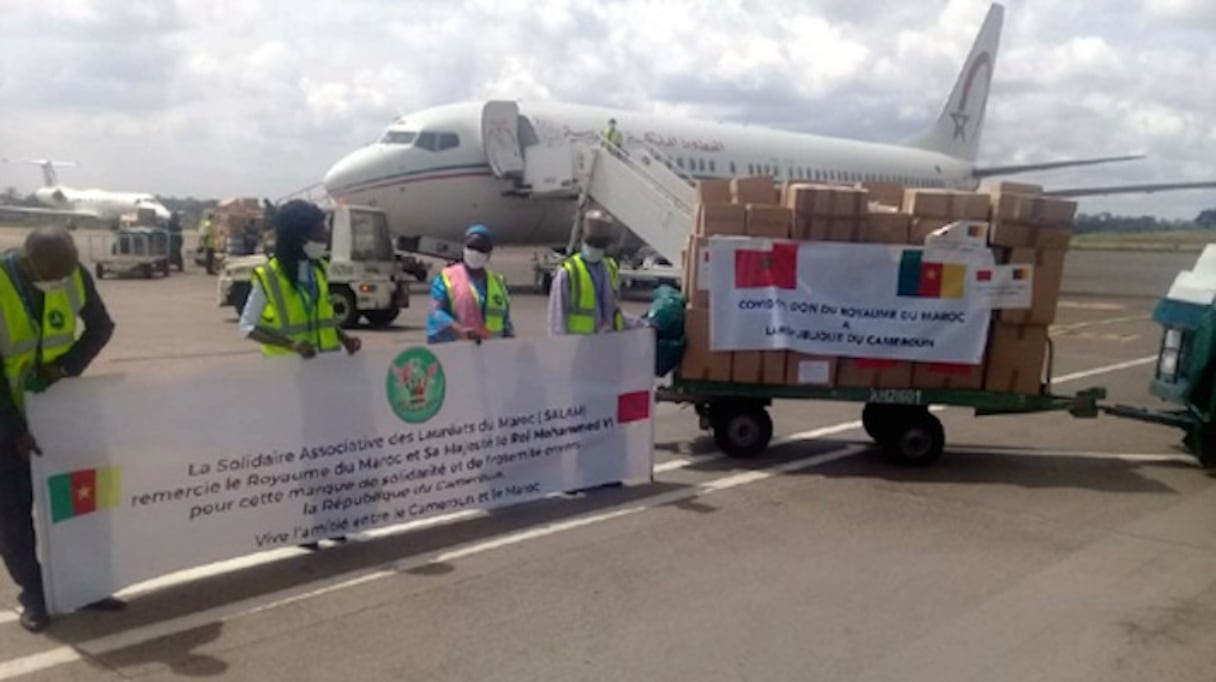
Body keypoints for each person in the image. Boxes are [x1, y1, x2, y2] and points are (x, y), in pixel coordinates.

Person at [0, 226, 122, 633]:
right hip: (7, 415)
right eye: (52, 272)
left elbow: (101, 326)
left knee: (80, 502)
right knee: (13, 515)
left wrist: (65, 368)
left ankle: (85, 586)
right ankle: (34, 595)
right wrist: (15, 427)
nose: (62, 280)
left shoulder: (72, 274)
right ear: (29, 260)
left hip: (61, 412)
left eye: (68, 271)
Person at [238, 200, 361, 550]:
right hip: (291, 379)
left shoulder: (320, 270)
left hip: (327, 374)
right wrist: (291, 345)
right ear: (300, 235)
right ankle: (304, 523)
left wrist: (343, 338)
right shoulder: (269, 276)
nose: (324, 236)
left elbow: (323, 315)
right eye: (319, 230)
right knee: (302, 452)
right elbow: (248, 327)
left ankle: (329, 518)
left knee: (330, 448)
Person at [547, 211, 646, 337]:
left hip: (605, 343)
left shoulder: (610, 269)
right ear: (583, 239)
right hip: (578, 346)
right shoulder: (568, 272)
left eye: (600, 244)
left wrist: (641, 324)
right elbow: (557, 320)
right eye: (591, 242)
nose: (595, 248)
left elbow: (614, 312)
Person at [427, 225, 514, 344]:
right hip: (458, 351)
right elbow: (436, 313)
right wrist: (460, 331)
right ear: (464, 248)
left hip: (493, 353)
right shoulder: (446, 278)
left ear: (489, 254)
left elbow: (506, 323)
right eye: (471, 247)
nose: (475, 252)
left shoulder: (498, 283)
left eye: (481, 248)